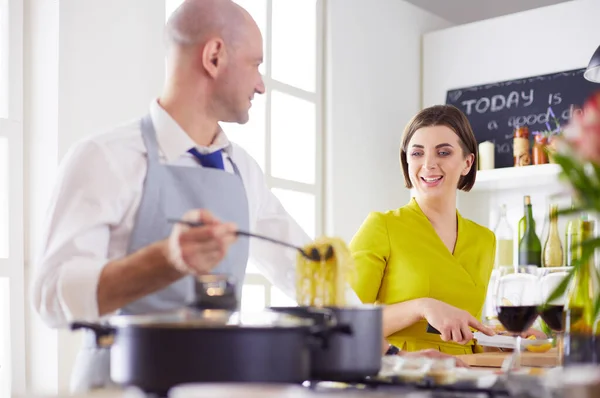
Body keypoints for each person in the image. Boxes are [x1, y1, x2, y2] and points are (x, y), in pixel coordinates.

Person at [31, 0, 309, 392]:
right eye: (256, 64)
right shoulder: (105, 157)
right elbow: (50, 297)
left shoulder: (242, 169)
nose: (261, 84)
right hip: (117, 388)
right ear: (214, 56)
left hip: (212, 385)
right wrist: (165, 260)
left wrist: (389, 350)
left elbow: (303, 265)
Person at [349, 105, 498, 355]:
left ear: (467, 162)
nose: (429, 164)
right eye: (417, 153)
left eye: (443, 152)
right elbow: (342, 321)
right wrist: (421, 307)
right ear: (406, 161)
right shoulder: (382, 227)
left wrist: (511, 341)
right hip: (401, 378)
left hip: (466, 378)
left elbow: (466, 335)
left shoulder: (484, 239)